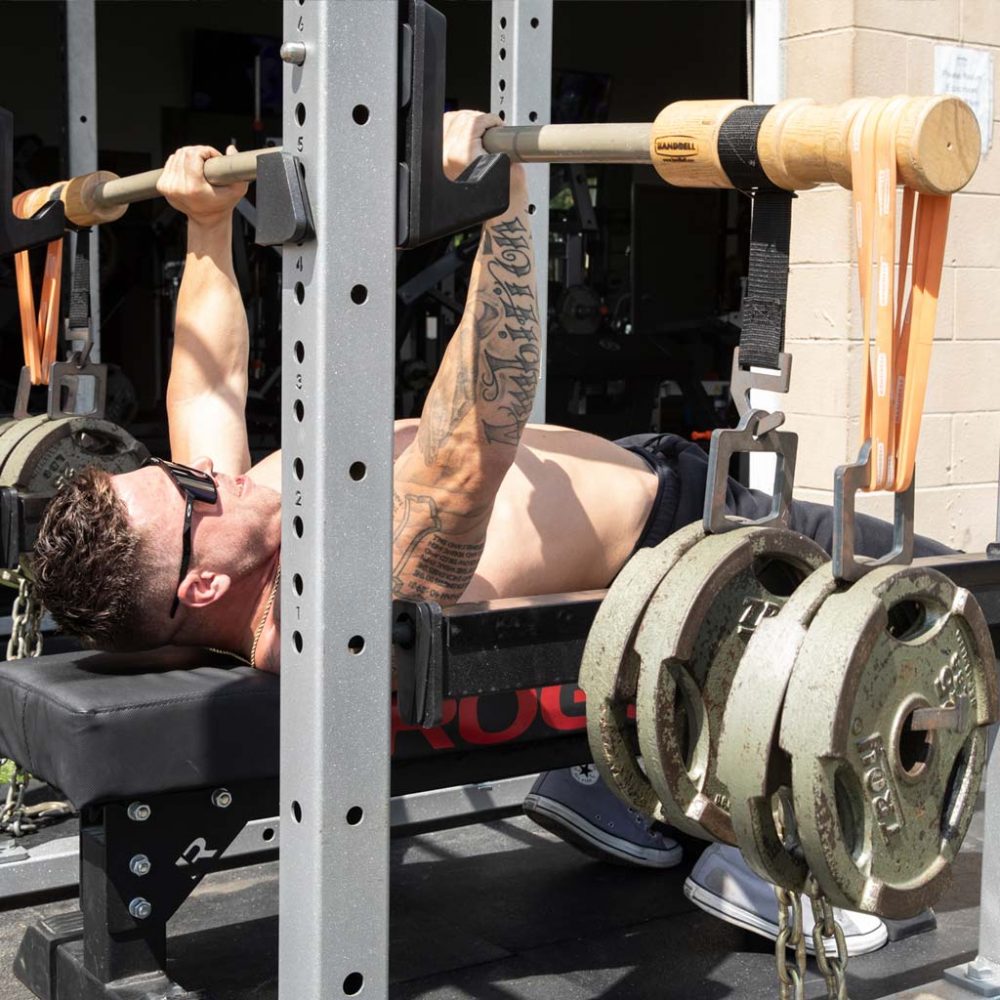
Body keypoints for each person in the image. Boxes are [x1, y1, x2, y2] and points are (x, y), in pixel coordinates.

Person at [31, 113, 947, 957]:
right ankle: (771, 851)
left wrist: (206, 223)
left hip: (648, 482)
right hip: (687, 544)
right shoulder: (335, 589)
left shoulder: (228, 528)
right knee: (941, 599)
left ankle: (634, 801)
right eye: (191, 487)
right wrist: (499, 203)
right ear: (199, 590)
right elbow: (474, 444)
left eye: (178, 466)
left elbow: (204, 388)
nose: (205, 470)